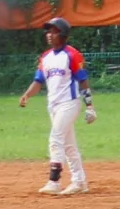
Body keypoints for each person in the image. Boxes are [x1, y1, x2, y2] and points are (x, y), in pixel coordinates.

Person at [18, 15, 95, 195]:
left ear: (63, 35)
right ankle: (79, 182)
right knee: (69, 146)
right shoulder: (45, 57)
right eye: (48, 31)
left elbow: (83, 81)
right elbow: (38, 81)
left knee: (55, 139)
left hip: (69, 103)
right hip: (53, 105)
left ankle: (54, 181)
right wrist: (27, 95)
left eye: (54, 31)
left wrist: (90, 106)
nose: (49, 35)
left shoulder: (72, 54)